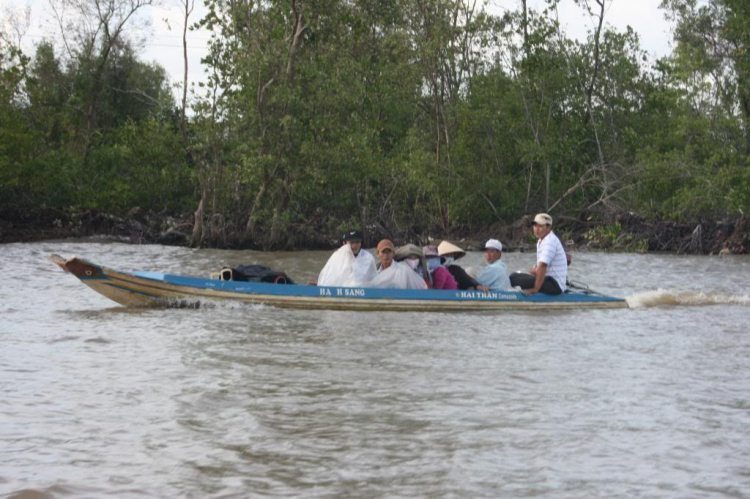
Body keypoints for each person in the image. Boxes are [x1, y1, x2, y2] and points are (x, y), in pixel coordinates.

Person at [510, 213, 567, 295]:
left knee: (514, 279)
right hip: (547, 279)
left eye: (540, 226)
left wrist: (535, 289)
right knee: (514, 275)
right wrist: (525, 272)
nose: (536, 229)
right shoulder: (541, 241)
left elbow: (542, 266)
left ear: (548, 227)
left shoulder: (550, 241)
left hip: (555, 285)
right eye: (535, 225)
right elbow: (539, 269)